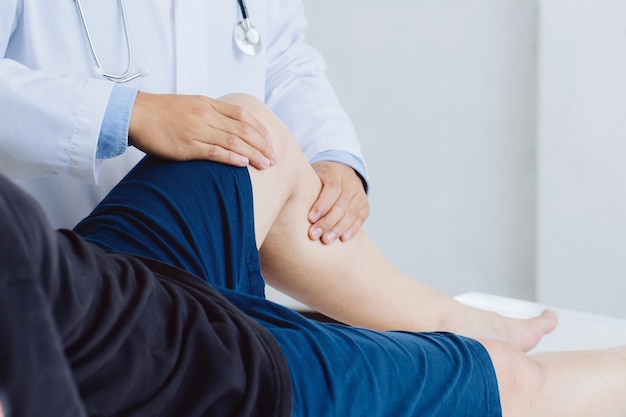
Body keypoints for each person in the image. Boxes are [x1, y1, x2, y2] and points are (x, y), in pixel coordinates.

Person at [2, 95, 626, 417]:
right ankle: (468, 348)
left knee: (249, 132)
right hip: (188, 374)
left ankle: (449, 318)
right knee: (510, 382)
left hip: (87, 276)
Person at [0, 0, 369, 245]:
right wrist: (125, 115)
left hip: (211, 275)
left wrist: (332, 154)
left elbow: (283, 57)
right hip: (49, 259)